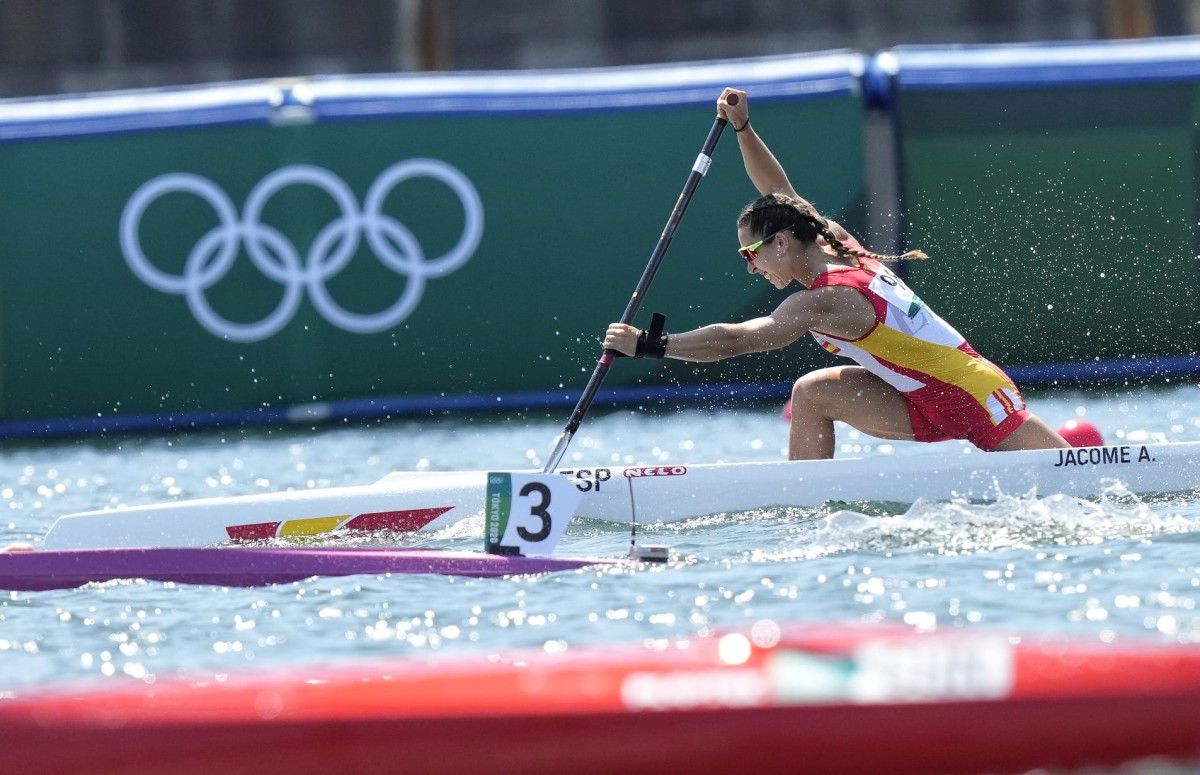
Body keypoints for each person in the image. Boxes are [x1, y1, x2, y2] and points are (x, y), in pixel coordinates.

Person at [603, 87, 1069, 460]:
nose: (752, 267)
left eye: (751, 254)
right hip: (930, 393)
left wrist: (651, 345)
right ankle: (805, 510)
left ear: (781, 243)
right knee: (812, 394)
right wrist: (743, 127)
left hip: (970, 394)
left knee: (1082, 494)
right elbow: (778, 190)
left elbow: (737, 340)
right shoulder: (833, 241)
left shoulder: (823, 299)